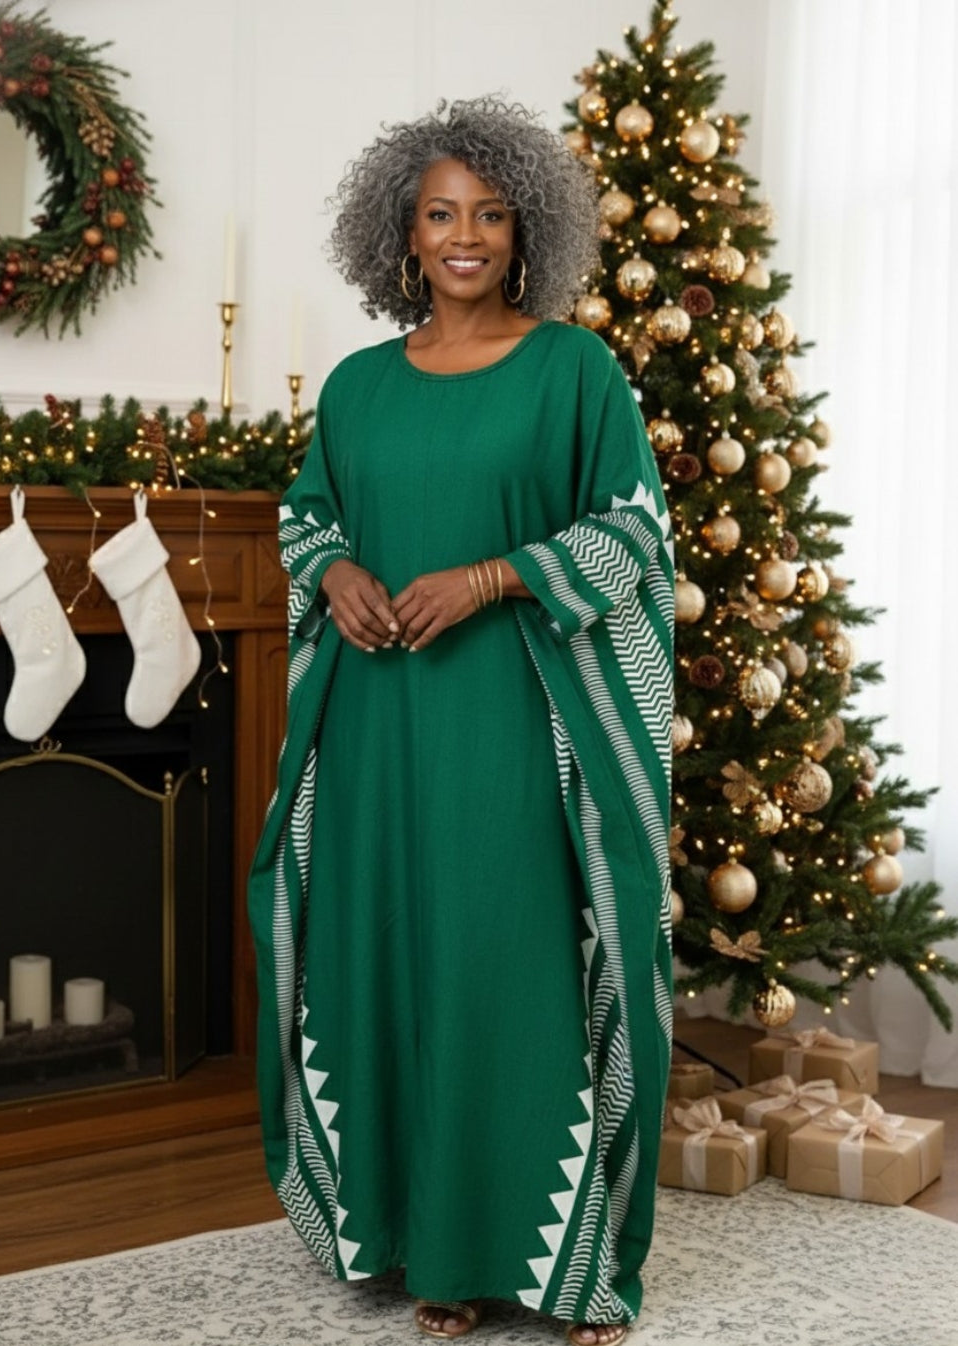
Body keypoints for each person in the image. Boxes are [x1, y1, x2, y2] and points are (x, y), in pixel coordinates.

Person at [248, 96, 674, 1346]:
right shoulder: (359, 386)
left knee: (514, 970)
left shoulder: (574, 369)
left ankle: (567, 1265)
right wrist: (336, 572)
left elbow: (632, 526)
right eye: (440, 214)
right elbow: (306, 511)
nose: (465, 235)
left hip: (518, 728)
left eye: (489, 212)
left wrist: (490, 577)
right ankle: (436, 1245)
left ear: (526, 227)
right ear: (402, 233)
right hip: (378, 732)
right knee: (396, 965)